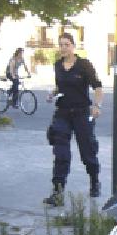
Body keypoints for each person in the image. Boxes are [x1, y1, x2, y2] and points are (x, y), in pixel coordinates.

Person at [44, 32, 104, 204]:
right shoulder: (57, 65)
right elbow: (60, 86)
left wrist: (97, 105)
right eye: (61, 44)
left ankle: (94, 182)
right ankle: (57, 192)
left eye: (66, 44)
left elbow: (97, 87)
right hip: (62, 113)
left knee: (88, 151)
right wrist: (52, 93)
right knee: (61, 153)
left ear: (73, 46)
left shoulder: (84, 65)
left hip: (81, 113)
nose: (63, 48)